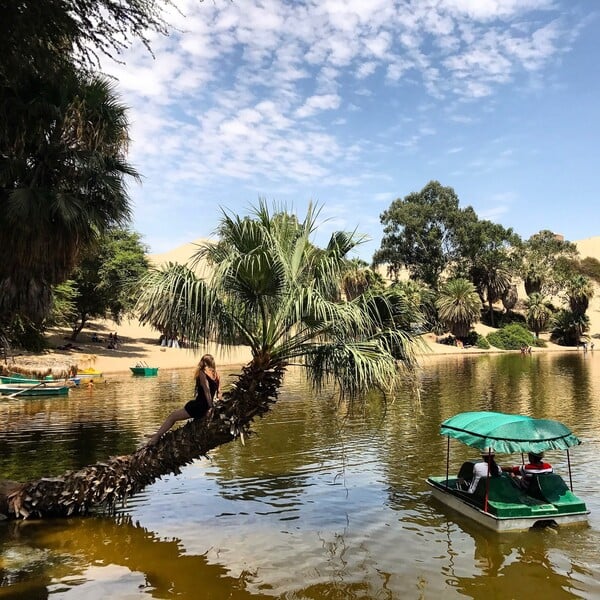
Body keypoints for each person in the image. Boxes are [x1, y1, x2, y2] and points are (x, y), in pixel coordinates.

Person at [145, 354, 222, 446]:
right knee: (173, 417)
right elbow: (219, 392)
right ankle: (158, 434)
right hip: (206, 405)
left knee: (172, 417)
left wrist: (210, 407)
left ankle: (156, 437)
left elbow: (207, 390)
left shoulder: (202, 373)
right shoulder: (216, 374)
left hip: (200, 406)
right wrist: (215, 406)